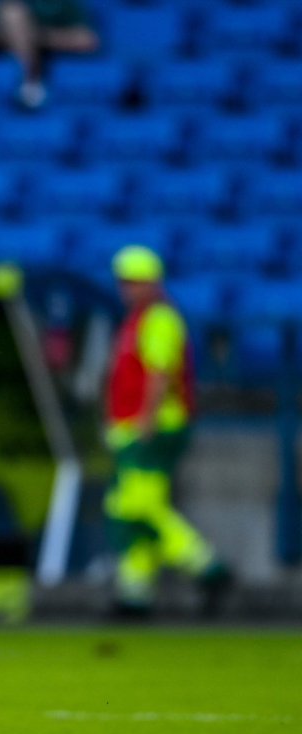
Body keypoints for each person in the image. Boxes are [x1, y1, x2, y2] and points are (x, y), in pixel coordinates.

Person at [103, 246, 229, 617]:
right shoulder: (139, 319)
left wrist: (147, 420)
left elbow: (160, 373)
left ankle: (206, 567)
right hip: (134, 428)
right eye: (124, 281)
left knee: (138, 507)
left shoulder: (159, 319)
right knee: (132, 512)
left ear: (153, 283)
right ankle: (135, 594)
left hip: (154, 427)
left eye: (135, 281)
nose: (127, 288)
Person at [0, 0, 98, 109]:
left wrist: (34, 35)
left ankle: (30, 82)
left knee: (13, 14)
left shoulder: (63, 4)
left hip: (44, 57)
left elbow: (87, 40)